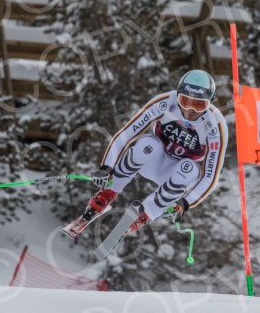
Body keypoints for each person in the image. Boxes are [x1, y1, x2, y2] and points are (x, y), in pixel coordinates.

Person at [82, 69, 228, 233]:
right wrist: (106, 167)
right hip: (154, 160)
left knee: (189, 169)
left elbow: (211, 175)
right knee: (147, 145)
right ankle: (107, 193)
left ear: (210, 103)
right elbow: (126, 134)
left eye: (200, 104)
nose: (190, 109)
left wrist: (185, 204)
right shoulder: (166, 102)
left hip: (175, 174)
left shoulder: (215, 124)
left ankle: (145, 214)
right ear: (178, 95)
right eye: (185, 101)